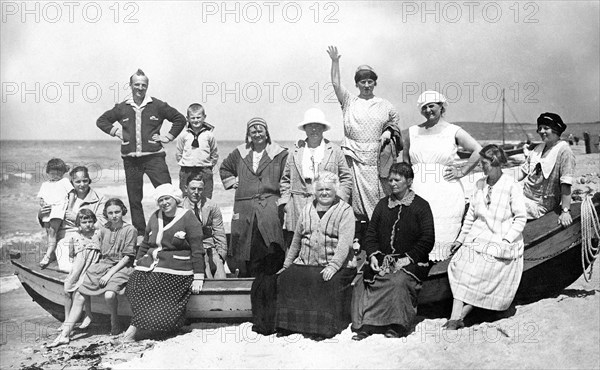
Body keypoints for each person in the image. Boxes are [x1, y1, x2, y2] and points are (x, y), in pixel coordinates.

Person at [96, 69, 187, 237]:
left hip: (155, 158)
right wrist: (116, 131)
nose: (140, 88)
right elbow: (101, 121)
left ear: (147, 86)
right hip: (131, 161)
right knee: (134, 198)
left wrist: (168, 136)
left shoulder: (158, 105)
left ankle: (172, 228)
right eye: (136, 84)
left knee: (167, 193)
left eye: (143, 85)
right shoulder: (122, 107)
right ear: (130, 85)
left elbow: (180, 119)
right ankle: (140, 233)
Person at [446, 145, 527, 330]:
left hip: (502, 236)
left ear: (496, 162)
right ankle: (456, 316)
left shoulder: (511, 186)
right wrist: (460, 239)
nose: (481, 167)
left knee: (484, 268)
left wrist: (507, 240)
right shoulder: (480, 185)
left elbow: (520, 218)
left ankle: (459, 316)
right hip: (478, 235)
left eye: (484, 163)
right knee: (460, 264)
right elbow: (470, 216)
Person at [351, 162, 435, 340]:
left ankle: (396, 325)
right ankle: (367, 324)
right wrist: (372, 255)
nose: (392, 183)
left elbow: (428, 239)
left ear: (409, 181)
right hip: (383, 259)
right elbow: (371, 234)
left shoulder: (421, 206)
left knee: (397, 281)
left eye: (397, 179)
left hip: (412, 261)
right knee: (362, 282)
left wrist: (408, 259)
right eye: (390, 180)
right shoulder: (382, 205)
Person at [219, 117, 288, 334]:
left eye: (260, 130)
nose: (257, 133)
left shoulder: (280, 153)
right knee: (253, 261)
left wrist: (284, 201)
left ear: (267, 132)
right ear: (248, 134)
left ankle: (273, 318)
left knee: (272, 258)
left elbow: (288, 178)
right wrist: (234, 182)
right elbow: (224, 169)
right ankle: (260, 320)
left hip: (269, 209)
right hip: (246, 211)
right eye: (253, 130)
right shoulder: (240, 152)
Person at [326, 46, 402, 227]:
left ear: (375, 83)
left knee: (379, 199)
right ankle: (355, 240)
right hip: (353, 158)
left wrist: (388, 131)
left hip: (376, 159)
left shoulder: (386, 105)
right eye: (362, 82)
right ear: (357, 84)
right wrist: (335, 62)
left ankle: (380, 236)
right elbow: (336, 84)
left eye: (370, 81)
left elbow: (395, 123)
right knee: (352, 200)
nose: (366, 85)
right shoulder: (349, 101)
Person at [276, 171, 356, 339]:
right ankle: (288, 326)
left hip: (337, 265)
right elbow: (297, 240)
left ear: (336, 190)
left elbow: (345, 243)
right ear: (315, 191)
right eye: (320, 190)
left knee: (323, 280)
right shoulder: (307, 209)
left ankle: (321, 329)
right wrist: (286, 265)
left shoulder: (345, 210)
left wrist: (333, 266)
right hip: (307, 262)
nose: (324, 193)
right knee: (286, 278)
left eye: (328, 189)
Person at [403, 91, 482, 261]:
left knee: (442, 236)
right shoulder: (412, 132)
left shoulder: (453, 131)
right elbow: (406, 163)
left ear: (441, 106)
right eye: (424, 107)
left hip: (446, 191)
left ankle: (442, 268)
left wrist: (462, 171)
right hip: (418, 190)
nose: (428, 110)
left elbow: (478, 150)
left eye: (432, 105)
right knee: (417, 231)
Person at [47, 198, 137, 347]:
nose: (114, 215)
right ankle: (65, 334)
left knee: (109, 294)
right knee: (79, 294)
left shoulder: (130, 229)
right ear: (106, 215)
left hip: (122, 267)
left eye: (117, 212)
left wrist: (109, 274)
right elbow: (92, 245)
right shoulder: (103, 228)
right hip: (103, 265)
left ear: (123, 211)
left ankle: (115, 322)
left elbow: (128, 257)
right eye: (110, 213)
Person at [123, 184, 205, 342]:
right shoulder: (155, 216)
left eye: (167, 198)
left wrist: (198, 276)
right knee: (132, 287)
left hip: (176, 268)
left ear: (175, 199)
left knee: (151, 290)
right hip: (150, 264)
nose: (164, 203)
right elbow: (146, 243)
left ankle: (132, 331)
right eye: (161, 200)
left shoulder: (188, 217)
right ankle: (148, 325)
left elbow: (197, 249)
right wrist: (138, 261)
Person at [278, 107, 352, 247]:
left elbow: (346, 178)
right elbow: (285, 180)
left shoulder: (335, 150)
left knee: (323, 241)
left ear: (323, 128)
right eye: (310, 126)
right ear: (304, 129)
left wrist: (340, 201)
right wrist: (286, 202)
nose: (314, 130)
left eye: (317, 126)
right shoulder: (295, 151)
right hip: (298, 204)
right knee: (296, 243)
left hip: (326, 202)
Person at [40, 166, 107, 274]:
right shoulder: (63, 195)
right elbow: (48, 220)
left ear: (89, 180)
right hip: (65, 237)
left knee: (87, 269)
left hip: (89, 238)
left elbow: (102, 224)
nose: (82, 184)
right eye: (78, 181)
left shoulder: (100, 198)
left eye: (85, 181)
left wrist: (77, 218)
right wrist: (41, 214)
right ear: (72, 182)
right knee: (68, 268)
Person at [517, 113, 576, 227]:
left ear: (556, 129)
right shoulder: (538, 149)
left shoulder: (564, 151)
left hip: (540, 205)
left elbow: (566, 184)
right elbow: (522, 172)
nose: (541, 131)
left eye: (546, 128)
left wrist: (565, 211)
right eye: (539, 128)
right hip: (524, 195)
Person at [182, 174, 228, 279]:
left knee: (220, 272)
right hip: (189, 248)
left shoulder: (212, 206)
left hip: (208, 247)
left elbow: (219, 233)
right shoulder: (179, 207)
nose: (196, 192)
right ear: (186, 189)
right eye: (193, 189)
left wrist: (220, 256)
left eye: (200, 189)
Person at [61, 209, 101, 330]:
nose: (88, 224)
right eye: (84, 222)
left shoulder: (98, 234)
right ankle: (67, 318)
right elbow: (72, 254)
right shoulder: (75, 237)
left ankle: (88, 315)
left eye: (90, 221)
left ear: (94, 221)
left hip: (92, 267)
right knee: (67, 289)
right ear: (79, 223)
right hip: (78, 267)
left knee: (83, 289)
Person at [38, 158, 75, 268]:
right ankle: (52, 254)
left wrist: (69, 208)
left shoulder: (64, 181)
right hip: (48, 210)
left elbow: (71, 193)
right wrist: (42, 204)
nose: (55, 175)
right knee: (48, 232)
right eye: (52, 173)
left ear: (63, 173)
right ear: (47, 172)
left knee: (53, 232)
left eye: (59, 173)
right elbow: (40, 198)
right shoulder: (45, 184)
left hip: (58, 209)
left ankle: (47, 255)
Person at [175, 103, 219, 198]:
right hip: (186, 170)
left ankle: (204, 212)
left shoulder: (209, 135)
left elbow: (214, 153)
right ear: (188, 118)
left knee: (206, 196)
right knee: (186, 196)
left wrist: (209, 165)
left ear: (204, 117)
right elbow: (179, 153)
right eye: (193, 118)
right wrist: (185, 163)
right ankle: (189, 213)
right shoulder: (184, 135)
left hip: (205, 169)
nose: (196, 120)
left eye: (198, 117)